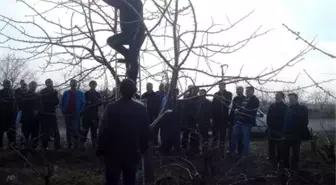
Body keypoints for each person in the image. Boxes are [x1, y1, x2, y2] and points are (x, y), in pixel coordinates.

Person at [97, 79, 149, 185]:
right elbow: (145, 132)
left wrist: (100, 149)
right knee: (130, 180)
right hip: (132, 151)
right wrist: (143, 149)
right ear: (134, 91)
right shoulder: (141, 108)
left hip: (112, 152)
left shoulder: (111, 108)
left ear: (120, 91)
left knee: (112, 181)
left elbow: (103, 130)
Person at [104, 0, 146, 83]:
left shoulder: (132, 2)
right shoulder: (126, 2)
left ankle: (132, 83)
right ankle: (127, 55)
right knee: (111, 41)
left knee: (133, 58)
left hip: (137, 33)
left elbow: (113, 2)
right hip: (128, 33)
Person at [230, 86, 259, 156]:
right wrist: (237, 111)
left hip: (247, 123)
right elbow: (241, 108)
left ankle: (244, 155)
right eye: (246, 91)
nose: (246, 92)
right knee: (233, 136)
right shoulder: (244, 99)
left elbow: (250, 110)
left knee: (245, 140)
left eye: (247, 91)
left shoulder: (255, 100)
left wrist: (239, 111)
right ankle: (232, 151)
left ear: (252, 91)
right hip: (239, 121)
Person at [282, 93, 309, 170]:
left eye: (292, 99)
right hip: (287, 134)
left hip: (296, 134)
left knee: (295, 152)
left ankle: (294, 168)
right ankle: (285, 168)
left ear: (296, 99)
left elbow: (305, 122)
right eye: (289, 99)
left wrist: (298, 131)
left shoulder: (302, 108)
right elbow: (285, 121)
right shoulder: (287, 108)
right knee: (285, 152)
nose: (290, 100)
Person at [61, 79, 85, 149]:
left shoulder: (80, 93)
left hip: (76, 113)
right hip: (67, 113)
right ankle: (69, 144)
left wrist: (80, 112)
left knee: (76, 129)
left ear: (76, 84)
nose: (73, 84)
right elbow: (62, 103)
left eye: (74, 83)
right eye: (72, 83)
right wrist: (63, 111)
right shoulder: (66, 93)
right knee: (68, 129)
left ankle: (76, 145)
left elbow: (83, 103)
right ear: (70, 84)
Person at [266, 91, 288, 165]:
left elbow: (286, 119)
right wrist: (269, 125)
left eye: (278, 95)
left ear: (282, 97)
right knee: (271, 144)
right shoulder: (272, 105)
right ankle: (271, 157)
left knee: (279, 145)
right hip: (271, 128)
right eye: (275, 95)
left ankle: (279, 159)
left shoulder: (285, 107)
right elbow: (268, 116)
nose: (276, 96)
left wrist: (283, 129)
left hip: (280, 129)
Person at [40, 79, 61, 149]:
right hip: (44, 113)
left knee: (55, 130)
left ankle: (57, 145)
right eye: (48, 82)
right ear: (46, 83)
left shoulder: (55, 91)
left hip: (52, 113)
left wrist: (50, 101)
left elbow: (57, 102)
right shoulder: (42, 91)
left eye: (51, 82)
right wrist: (50, 101)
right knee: (45, 130)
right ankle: (44, 146)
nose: (50, 83)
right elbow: (42, 102)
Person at [18, 81, 40, 149]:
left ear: (36, 86)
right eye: (32, 85)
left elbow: (41, 105)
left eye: (35, 85)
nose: (33, 86)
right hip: (26, 118)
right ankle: (23, 146)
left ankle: (34, 146)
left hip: (35, 118)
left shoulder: (38, 95)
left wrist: (37, 110)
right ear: (29, 86)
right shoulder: (24, 94)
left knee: (35, 133)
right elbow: (21, 105)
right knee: (25, 133)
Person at [81, 80, 102, 148]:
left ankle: (94, 145)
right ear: (90, 85)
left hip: (94, 115)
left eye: (94, 84)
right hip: (86, 115)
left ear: (96, 85)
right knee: (84, 130)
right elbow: (83, 103)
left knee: (94, 131)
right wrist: (89, 103)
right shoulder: (86, 94)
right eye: (92, 84)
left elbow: (100, 103)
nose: (93, 85)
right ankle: (82, 145)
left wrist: (95, 103)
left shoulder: (98, 94)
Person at [211, 82, 232, 149]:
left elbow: (228, 103)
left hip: (224, 116)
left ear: (225, 86)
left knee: (223, 132)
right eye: (220, 85)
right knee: (215, 131)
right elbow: (213, 105)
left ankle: (222, 147)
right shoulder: (216, 94)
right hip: (216, 116)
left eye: (222, 85)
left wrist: (224, 98)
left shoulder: (229, 94)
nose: (221, 86)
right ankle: (214, 146)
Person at [228, 86, 245, 154]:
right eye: (237, 90)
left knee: (240, 138)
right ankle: (231, 150)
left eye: (239, 90)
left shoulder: (245, 99)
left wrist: (239, 111)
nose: (237, 91)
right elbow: (232, 109)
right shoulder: (235, 98)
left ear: (242, 90)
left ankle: (240, 151)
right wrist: (229, 118)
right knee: (232, 136)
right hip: (234, 120)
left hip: (242, 121)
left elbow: (245, 110)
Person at [0, 80, 17, 149]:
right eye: (6, 83)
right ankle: (0, 145)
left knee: (12, 129)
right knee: (1, 130)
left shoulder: (13, 92)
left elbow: (15, 101)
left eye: (9, 83)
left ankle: (12, 144)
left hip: (12, 114)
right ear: (3, 84)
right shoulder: (0, 92)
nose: (8, 85)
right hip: (2, 114)